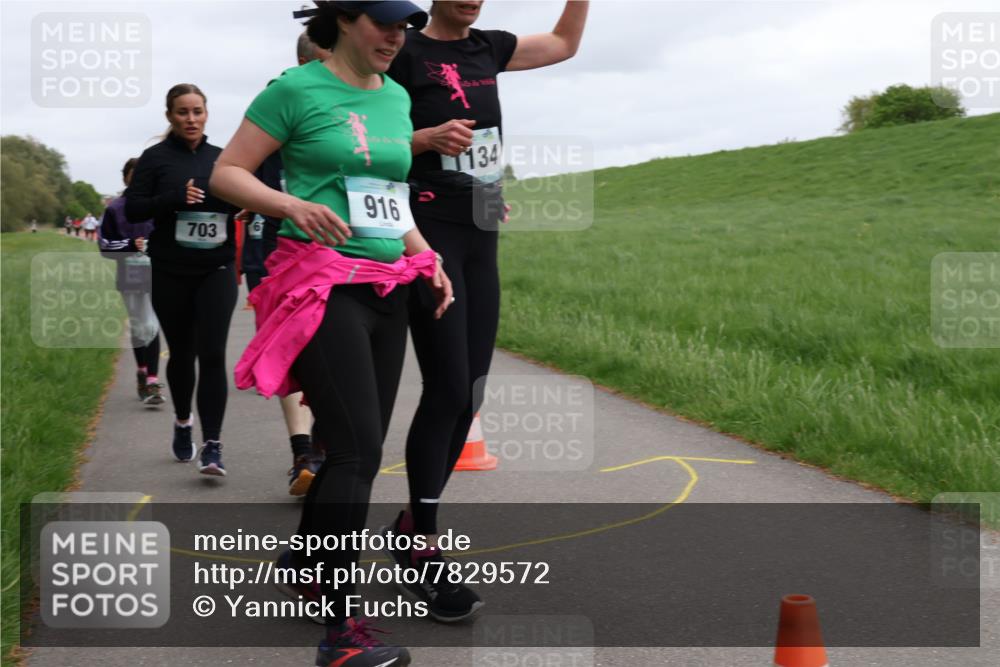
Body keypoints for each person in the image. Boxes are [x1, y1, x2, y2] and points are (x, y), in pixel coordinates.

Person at [211, 2, 449, 665]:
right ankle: (340, 633)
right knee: (352, 450)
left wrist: (425, 256)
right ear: (344, 20)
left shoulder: (398, 97)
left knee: (363, 452)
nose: (397, 36)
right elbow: (226, 172)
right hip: (317, 283)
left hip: (388, 284)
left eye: (405, 25)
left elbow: (388, 194)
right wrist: (291, 203)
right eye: (384, 23)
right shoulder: (295, 90)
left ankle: (309, 561)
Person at [380, 0, 589, 622]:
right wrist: (422, 138)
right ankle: (421, 545)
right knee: (444, 389)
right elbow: (364, 133)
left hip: (482, 231)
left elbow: (563, 43)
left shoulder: (488, 47)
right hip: (425, 230)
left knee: (470, 393)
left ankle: (413, 526)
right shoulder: (404, 51)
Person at [125, 83, 238, 476]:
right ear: (169, 116)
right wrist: (172, 197)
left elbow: (245, 197)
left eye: (197, 111)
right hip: (172, 270)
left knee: (212, 353)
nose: (191, 119)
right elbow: (135, 208)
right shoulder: (155, 159)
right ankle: (183, 420)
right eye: (182, 112)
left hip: (217, 268)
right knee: (183, 353)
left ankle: (213, 445)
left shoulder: (223, 158)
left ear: (207, 113)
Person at [240, 31, 330, 497]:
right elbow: (237, 173)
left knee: (330, 351)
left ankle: (318, 446)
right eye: (325, 53)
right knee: (291, 349)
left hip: (334, 248)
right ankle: (305, 453)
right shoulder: (280, 98)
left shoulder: (352, 99)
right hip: (279, 247)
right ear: (303, 59)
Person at [99, 158, 164, 406]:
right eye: (132, 174)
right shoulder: (115, 209)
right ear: (125, 177)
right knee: (140, 325)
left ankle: (152, 381)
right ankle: (142, 370)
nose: (137, 179)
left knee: (153, 324)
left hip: (157, 274)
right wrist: (129, 245)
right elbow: (105, 246)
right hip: (130, 274)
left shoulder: (158, 205)